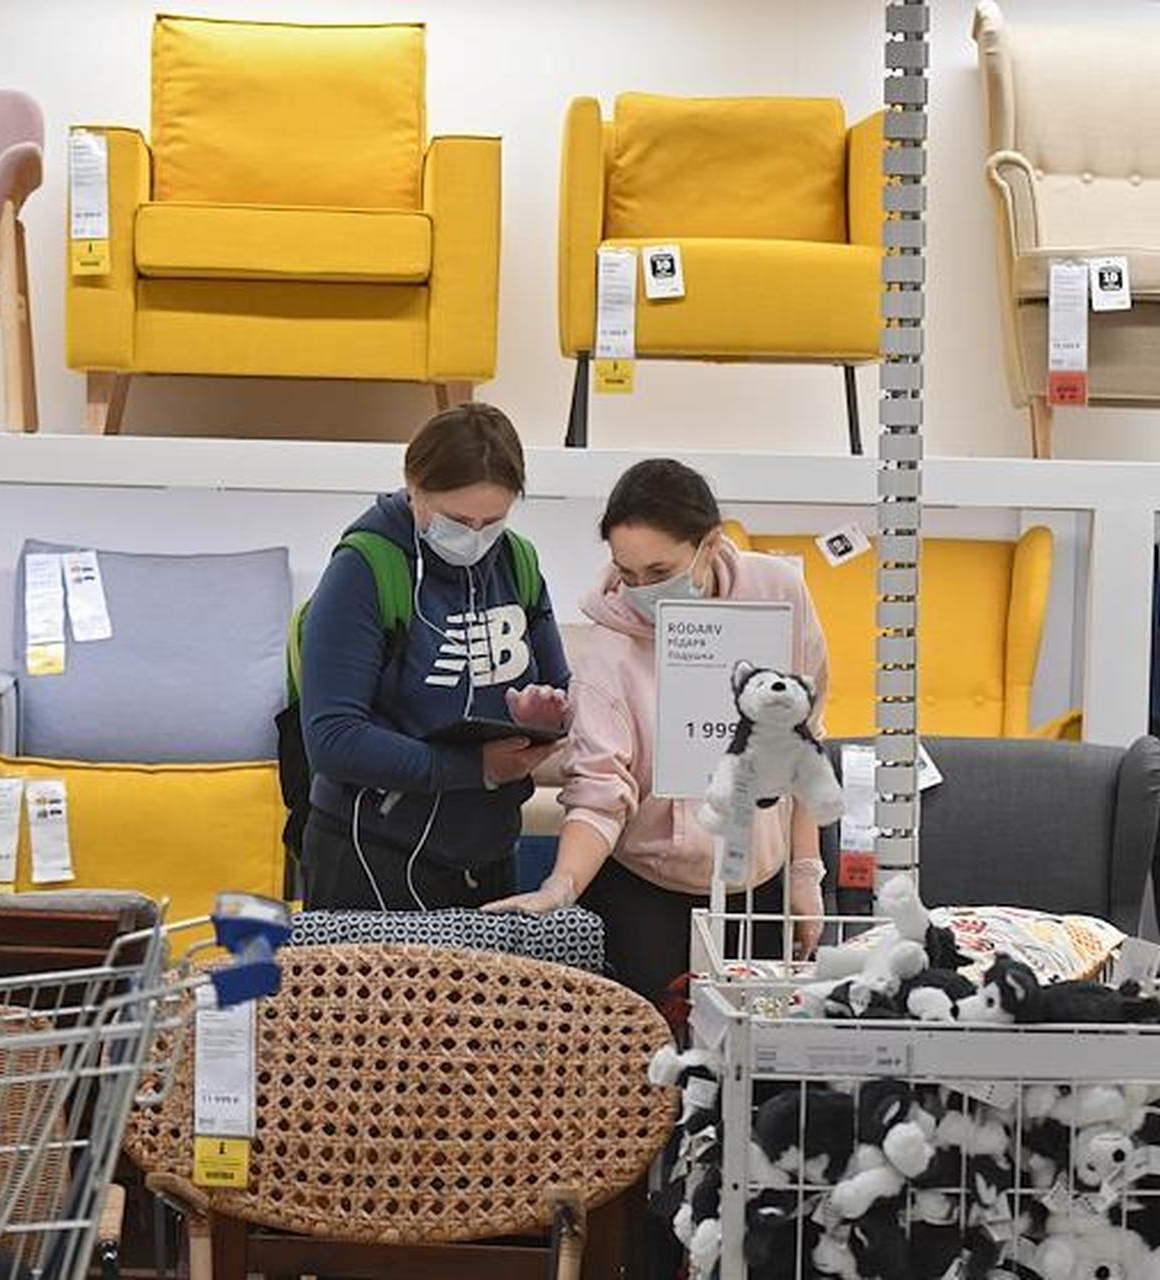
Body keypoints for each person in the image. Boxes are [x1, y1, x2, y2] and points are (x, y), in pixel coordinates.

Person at [485, 458, 830, 1006]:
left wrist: (805, 874)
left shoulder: (779, 594)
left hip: (759, 882)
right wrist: (561, 885)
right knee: (652, 1044)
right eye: (627, 573)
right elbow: (599, 789)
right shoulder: (607, 650)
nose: (641, 589)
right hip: (645, 888)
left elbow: (802, 738)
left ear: (709, 544)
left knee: (760, 1041)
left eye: (659, 570)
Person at [299, 403, 569, 912]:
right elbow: (332, 737)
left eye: (493, 521)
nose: (475, 537)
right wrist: (476, 767)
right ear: (414, 487)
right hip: (370, 856)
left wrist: (546, 716)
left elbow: (562, 686)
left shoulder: (517, 562)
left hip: (487, 857)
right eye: (457, 520)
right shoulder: (364, 569)